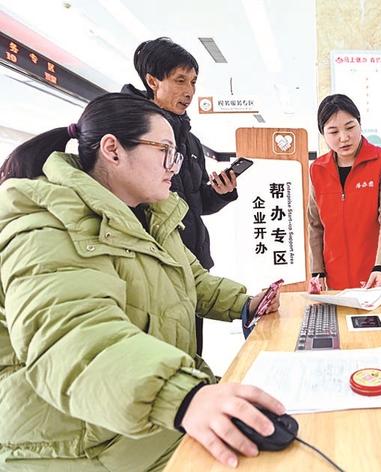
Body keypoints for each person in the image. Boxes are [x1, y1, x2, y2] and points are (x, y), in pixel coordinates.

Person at [0, 93, 282, 471]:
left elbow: (189, 278)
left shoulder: (148, 215)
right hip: (77, 445)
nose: (174, 166)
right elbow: (72, 334)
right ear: (113, 150)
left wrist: (244, 303)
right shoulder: (45, 223)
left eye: (176, 155)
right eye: (165, 151)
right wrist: (181, 397)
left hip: (140, 421)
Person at [121, 37, 238, 353]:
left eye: (194, 81)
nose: (189, 91)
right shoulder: (133, 136)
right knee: (163, 354)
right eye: (180, 80)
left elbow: (196, 204)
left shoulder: (190, 141)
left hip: (194, 265)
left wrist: (221, 193)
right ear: (152, 81)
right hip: (155, 268)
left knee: (192, 350)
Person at [308, 94, 381, 291]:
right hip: (334, 282)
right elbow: (315, 225)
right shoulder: (317, 169)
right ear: (323, 134)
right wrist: (317, 271)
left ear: (359, 124)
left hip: (376, 278)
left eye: (350, 127)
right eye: (333, 131)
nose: (344, 137)